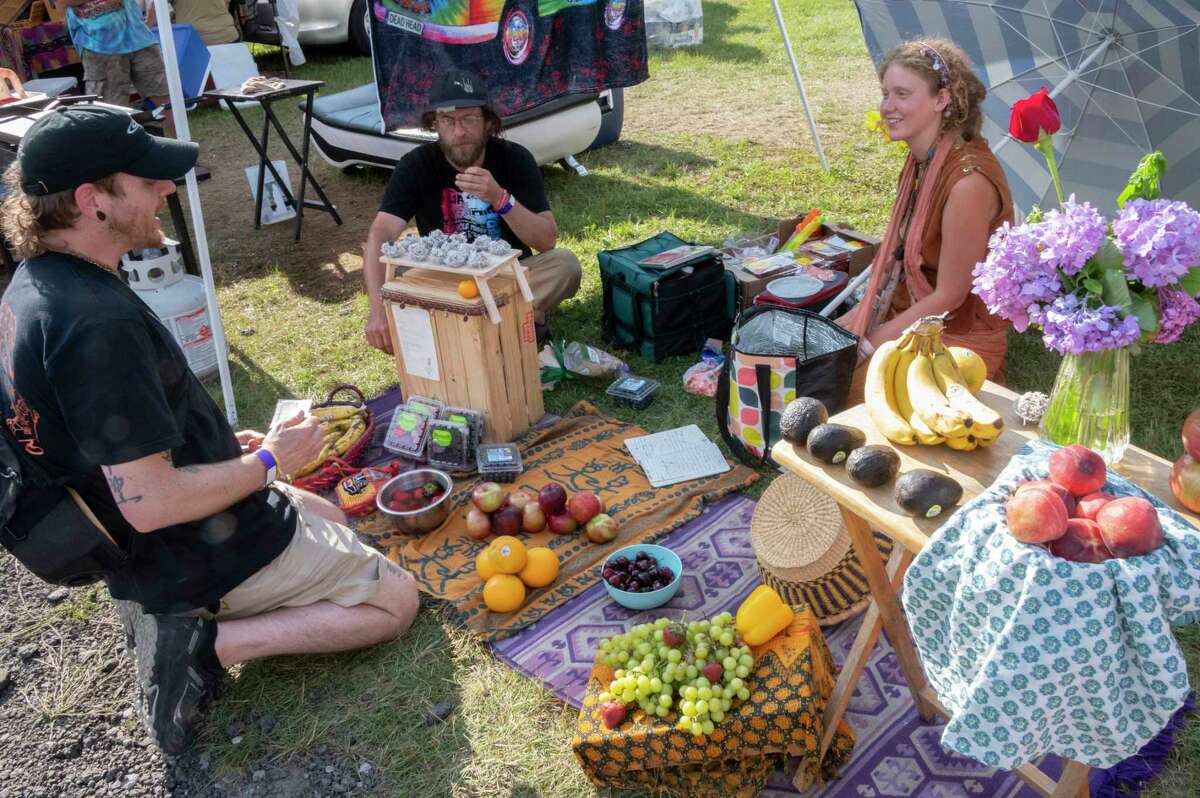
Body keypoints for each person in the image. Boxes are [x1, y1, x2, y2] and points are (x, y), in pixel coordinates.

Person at [0, 106, 420, 755]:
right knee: (395, 599)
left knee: (334, 518)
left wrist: (224, 449)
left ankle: (198, 615)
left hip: (154, 539)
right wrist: (271, 462)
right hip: (187, 552)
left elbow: (110, 443)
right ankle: (206, 642)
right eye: (145, 180)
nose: (166, 189)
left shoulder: (39, 285)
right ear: (92, 202)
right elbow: (149, 501)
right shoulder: (93, 325)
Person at [362, 69, 582, 353]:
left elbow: (545, 240)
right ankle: (514, 317)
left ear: (488, 122)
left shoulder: (515, 158)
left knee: (565, 265)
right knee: (389, 264)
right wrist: (379, 312)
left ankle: (458, 327)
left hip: (506, 277)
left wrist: (500, 198)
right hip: (444, 281)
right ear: (434, 124)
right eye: (448, 120)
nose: (459, 131)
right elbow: (382, 232)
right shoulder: (416, 165)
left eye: (469, 119)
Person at [840, 38, 1014, 383]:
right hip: (914, 309)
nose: (888, 105)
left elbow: (950, 295)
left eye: (902, 94)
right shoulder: (923, 159)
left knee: (847, 393)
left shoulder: (968, 183)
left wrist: (871, 342)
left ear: (941, 100)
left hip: (959, 331)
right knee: (818, 355)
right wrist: (857, 320)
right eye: (885, 93)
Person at [63, 0, 176, 136]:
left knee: (165, 99)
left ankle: (182, 148)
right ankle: (121, 155)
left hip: (139, 35)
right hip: (98, 45)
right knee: (110, 110)